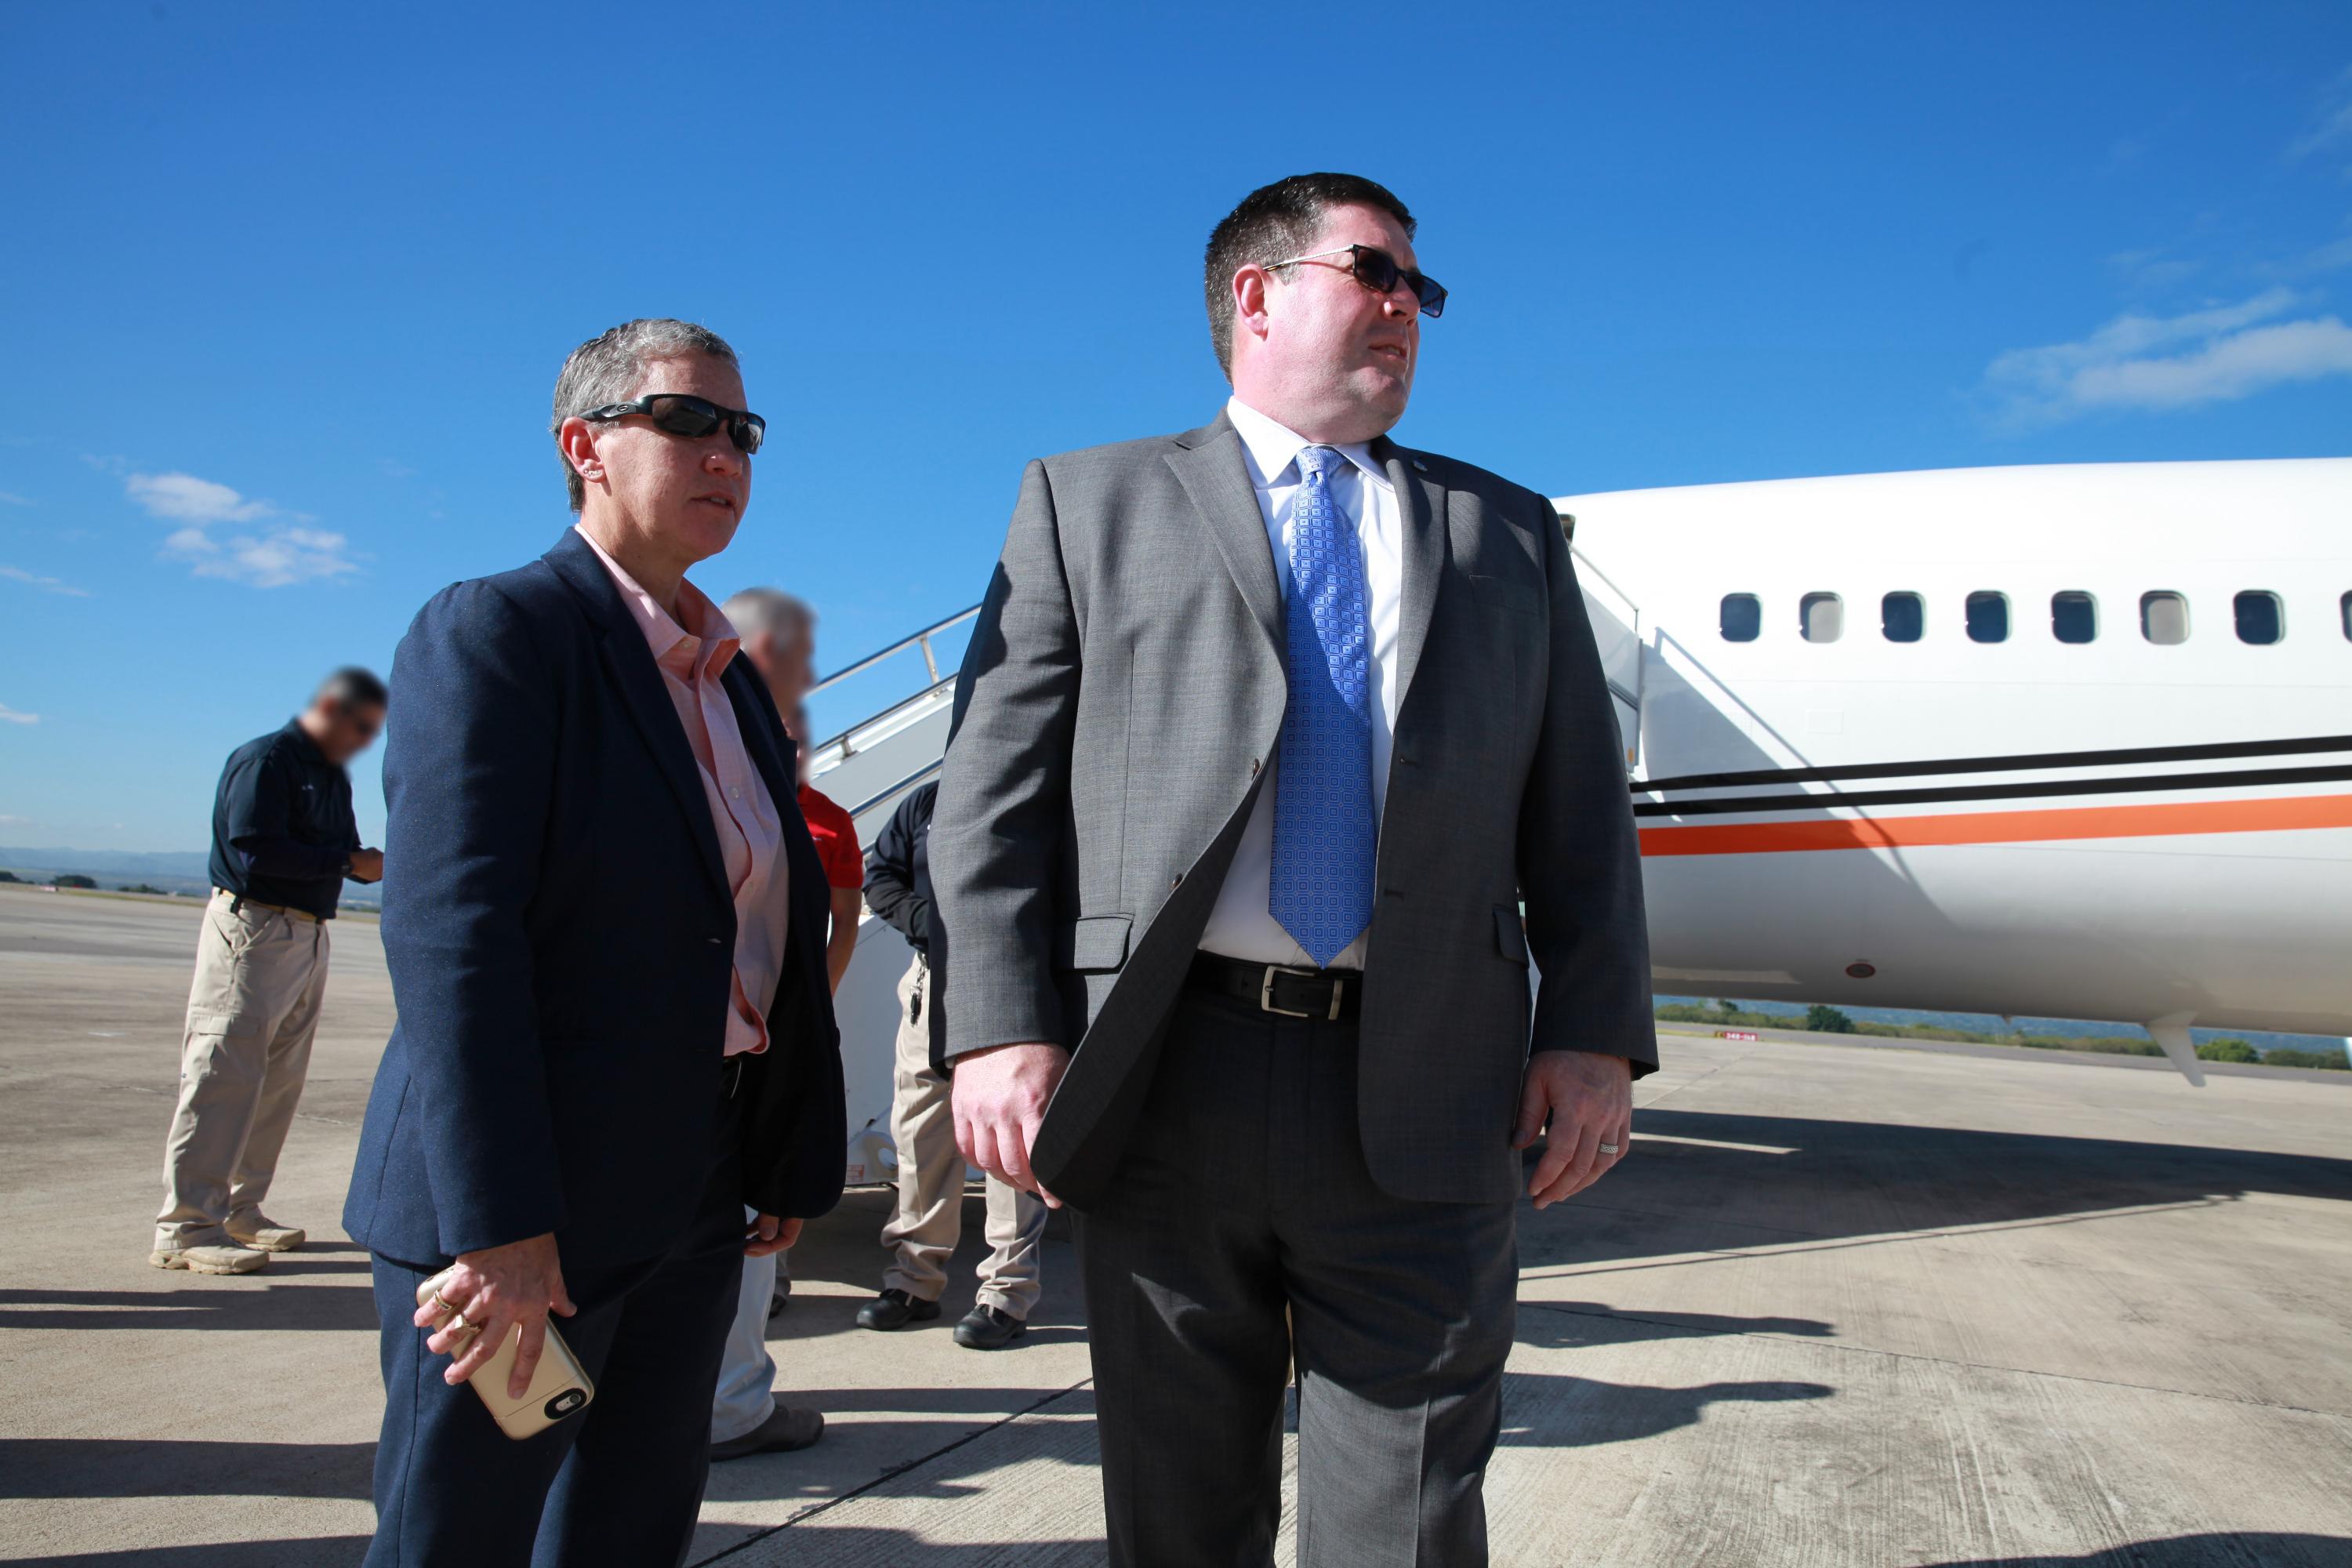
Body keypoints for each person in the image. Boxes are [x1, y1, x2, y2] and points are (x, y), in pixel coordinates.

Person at [929, 174, 1657, 1566]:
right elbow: (992, 797)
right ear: (1255, 295)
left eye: (1419, 292)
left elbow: (1577, 814)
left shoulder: (1505, 534)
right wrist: (1001, 1026)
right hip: (1169, 1075)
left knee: (1414, 1511)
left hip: (1431, 1081)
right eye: (1375, 272)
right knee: (1176, 1502)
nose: (1406, 308)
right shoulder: (1092, 505)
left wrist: (1593, 1036)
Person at [342, 318, 845, 1565]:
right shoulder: (502, 631)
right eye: (686, 420)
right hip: (530, 1215)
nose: (726, 451)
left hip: (689, 1193)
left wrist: (775, 1148)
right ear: (587, 446)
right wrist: (498, 1226)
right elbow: (455, 941)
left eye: (744, 430)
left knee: (631, 1527)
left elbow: (756, 929)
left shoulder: (724, 678)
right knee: (459, 1537)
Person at [151, 669, 385, 1275]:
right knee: (224, 1071)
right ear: (329, 707)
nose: (363, 740)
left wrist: (367, 866)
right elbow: (252, 844)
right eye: (359, 726)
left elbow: (345, 852)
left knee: (278, 1079)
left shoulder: (330, 774)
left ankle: (240, 1209)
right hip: (253, 927)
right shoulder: (267, 759)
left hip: (307, 931)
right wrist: (345, 861)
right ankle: (186, 1225)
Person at [702, 599, 856, 1460]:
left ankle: (727, 1398)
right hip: (709, 1060)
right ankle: (722, 1403)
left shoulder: (823, 820)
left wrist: (806, 1010)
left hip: (751, 1045)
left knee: (745, 1239)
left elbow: (840, 920)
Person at [859, 779, 1045, 1349]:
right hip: (930, 983)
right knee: (920, 1136)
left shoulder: (1039, 792)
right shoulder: (926, 801)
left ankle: (1005, 1294)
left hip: (1011, 977)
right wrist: (933, 924)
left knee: (1006, 1143)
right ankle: (915, 1282)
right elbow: (880, 878)